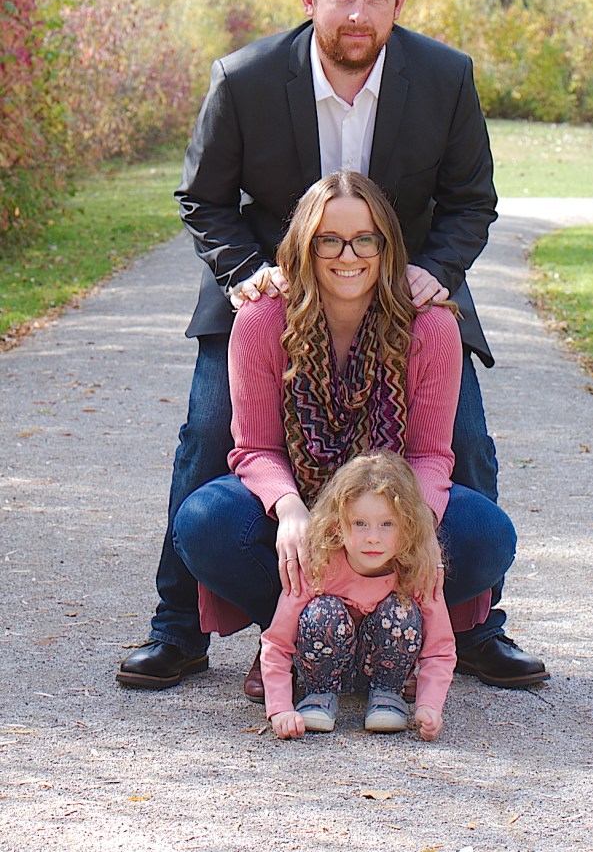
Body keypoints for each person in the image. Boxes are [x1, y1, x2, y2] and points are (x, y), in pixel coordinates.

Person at [116, 0, 548, 693]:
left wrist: (435, 271)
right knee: (209, 430)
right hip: (270, 296)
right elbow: (202, 197)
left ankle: (475, 628)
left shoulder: (445, 77)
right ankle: (179, 627)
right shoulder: (244, 78)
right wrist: (245, 273)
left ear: (399, 1)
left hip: (405, 294)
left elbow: (471, 201)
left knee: (465, 441)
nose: (358, 13)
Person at [169, 173, 522, 724]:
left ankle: (392, 638)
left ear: (387, 246)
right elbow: (254, 448)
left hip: (387, 513)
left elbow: (431, 455)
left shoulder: (429, 325)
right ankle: (298, 640)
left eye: (364, 240)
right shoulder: (263, 319)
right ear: (304, 247)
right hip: (302, 501)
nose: (348, 256)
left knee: (486, 535)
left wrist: (418, 524)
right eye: (328, 240)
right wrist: (289, 509)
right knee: (204, 523)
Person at [261, 451, 456, 741]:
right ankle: (320, 695)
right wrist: (279, 709)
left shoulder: (416, 570)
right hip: (325, 668)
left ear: (408, 526)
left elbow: (440, 648)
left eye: (387, 524)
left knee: (400, 611)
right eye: (360, 523)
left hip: (382, 671)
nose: (373, 537)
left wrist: (429, 706)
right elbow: (277, 642)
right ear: (337, 525)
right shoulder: (319, 566)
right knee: (322, 611)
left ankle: (387, 695)